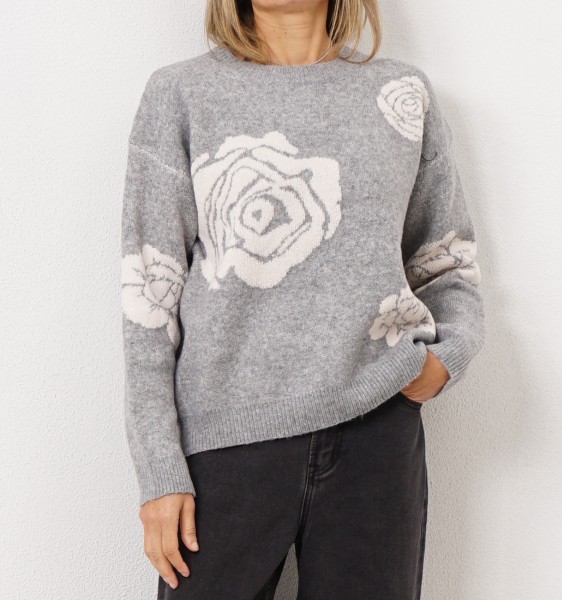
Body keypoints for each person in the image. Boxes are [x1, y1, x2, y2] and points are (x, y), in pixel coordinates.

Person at [119, 0, 486, 597]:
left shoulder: (401, 94)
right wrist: (160, 469)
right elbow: (148, 296)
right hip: (225, 448)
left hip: (376, 436)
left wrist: (446, 358)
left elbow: (445, 259)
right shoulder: (181, 93)